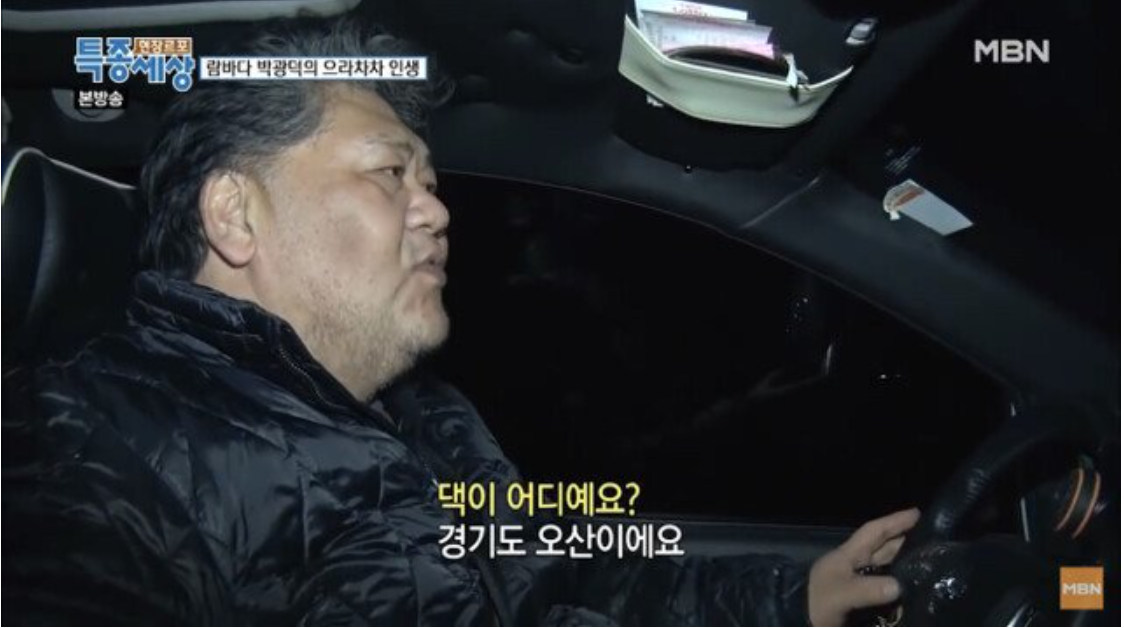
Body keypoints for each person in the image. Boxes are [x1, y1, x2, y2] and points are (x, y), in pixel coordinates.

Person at [2, 17, 918, 625]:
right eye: (389, 173)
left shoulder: (427, 419)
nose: (437, 210)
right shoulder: (82, 452)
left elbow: (579, 575)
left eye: (432, 182)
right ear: (235, 215)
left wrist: (791, 600)